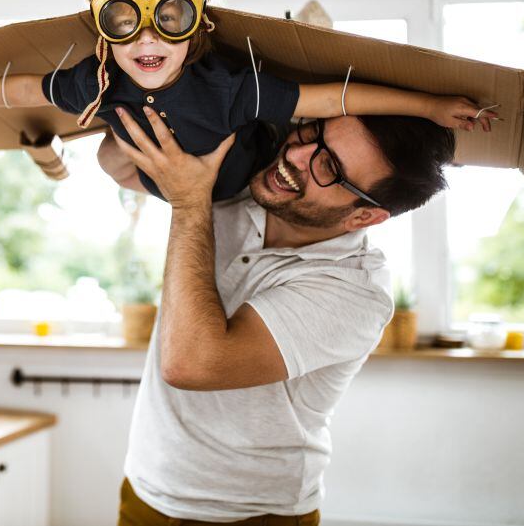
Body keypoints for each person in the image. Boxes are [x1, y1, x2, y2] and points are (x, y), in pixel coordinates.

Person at [0, 0, 494, 202]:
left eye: (172, 16)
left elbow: (334, 99)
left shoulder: (231, 87)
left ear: (199, 26)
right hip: (154, 183)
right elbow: (26, 85)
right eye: (128, 20)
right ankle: (60, 160)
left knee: (282, 119)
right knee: (108, 156)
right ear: (106, 27)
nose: (148, 39)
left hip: (236, 185)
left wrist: (429, 106)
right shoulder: (102, 78)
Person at [103, 105, 459, 524]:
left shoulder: (355, 292)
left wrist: (188, 202)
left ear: (365, 215)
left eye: (328, 166)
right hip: (147, 490)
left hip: (257, 513)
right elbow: (116, 165)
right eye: (313, 134)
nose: (296, 157)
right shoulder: (243, 181)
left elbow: (191, 363)